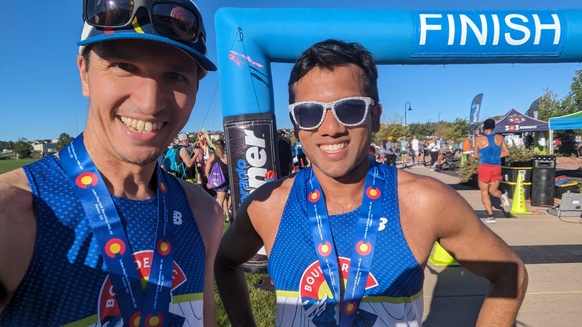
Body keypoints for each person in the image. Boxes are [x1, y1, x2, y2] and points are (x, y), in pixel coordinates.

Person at [214, 39, 527, 326]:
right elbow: (225, 263)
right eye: (309, 113)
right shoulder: (268, 204)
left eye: (350, 108)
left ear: (375, 116)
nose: (331, 128)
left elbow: (510, 274)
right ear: (296, 124)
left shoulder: (425, 201)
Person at [0, 1, 224, 325]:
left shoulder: (205, 214)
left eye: (175, 75)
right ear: (84, 73)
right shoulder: (15, 215)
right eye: (124, 66)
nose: (150, 103)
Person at [473, 118, 511, 223]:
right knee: (493, 191)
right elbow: (506, 152)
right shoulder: (499, 138)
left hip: (485, 167)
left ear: (484, 127)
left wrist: (483, 157)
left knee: (484, 193)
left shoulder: (479, 139)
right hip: (496, 167)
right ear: (493, 127)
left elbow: (475, 155)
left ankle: (491, 216)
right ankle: (502, 196)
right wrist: (497, 157)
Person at [205, 139, 232, 223]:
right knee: (220, 200)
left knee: (223, 199)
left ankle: (227, 215)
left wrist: (210, 180)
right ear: (223, 146)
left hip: (215, 183)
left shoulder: (211, 157)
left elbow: (206, 170)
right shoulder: (225, 157)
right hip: (223, 182)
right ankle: (217, 219)